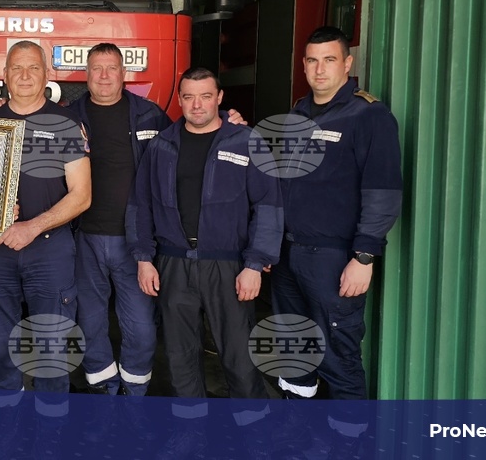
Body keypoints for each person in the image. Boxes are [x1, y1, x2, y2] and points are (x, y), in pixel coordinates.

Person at [128, 67, 283, 401]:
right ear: (180, 100)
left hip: (228, 265)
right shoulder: (161, 145)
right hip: (173, 263)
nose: (197, 105)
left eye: (205, 96)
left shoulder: (246, 141)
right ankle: (191, 425)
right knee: (180, 356)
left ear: (220, 98)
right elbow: (141, 205)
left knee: (239, 357)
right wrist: (143, 258)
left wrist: (255, 265)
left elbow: (268, 205)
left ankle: (250, 424)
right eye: (189, 97)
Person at [270, 26, 401, 404]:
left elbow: (383, 193)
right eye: (312, 60)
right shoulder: (298, 111)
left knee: (338, 356)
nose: (320, 69)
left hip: (333, 257)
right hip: (288, 253)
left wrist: (364, 256)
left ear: (347, 63)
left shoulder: (369, 115)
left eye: (329, 60)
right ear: (303, 65)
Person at [0, 41, 92, 395]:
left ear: (47, 74)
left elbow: (82, 195)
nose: (25, 75)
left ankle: (50, 416)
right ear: (4, 75)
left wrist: (32, 227)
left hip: (49, 250)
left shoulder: (67, 123)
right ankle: (7, 408)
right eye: (17, 68)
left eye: (33, 68)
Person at [67, 43, 170, 396]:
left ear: (124, 74)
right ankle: (103, 388)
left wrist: (227, 121)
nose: (104, 76)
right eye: (97, 68)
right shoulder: (67, 117)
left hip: (135, 242)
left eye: (112, 68)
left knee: (141, 326)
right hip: (83, 237)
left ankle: (134, 389)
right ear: (86, 75)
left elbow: (190, 140)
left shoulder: (150, 115)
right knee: (89, 322)